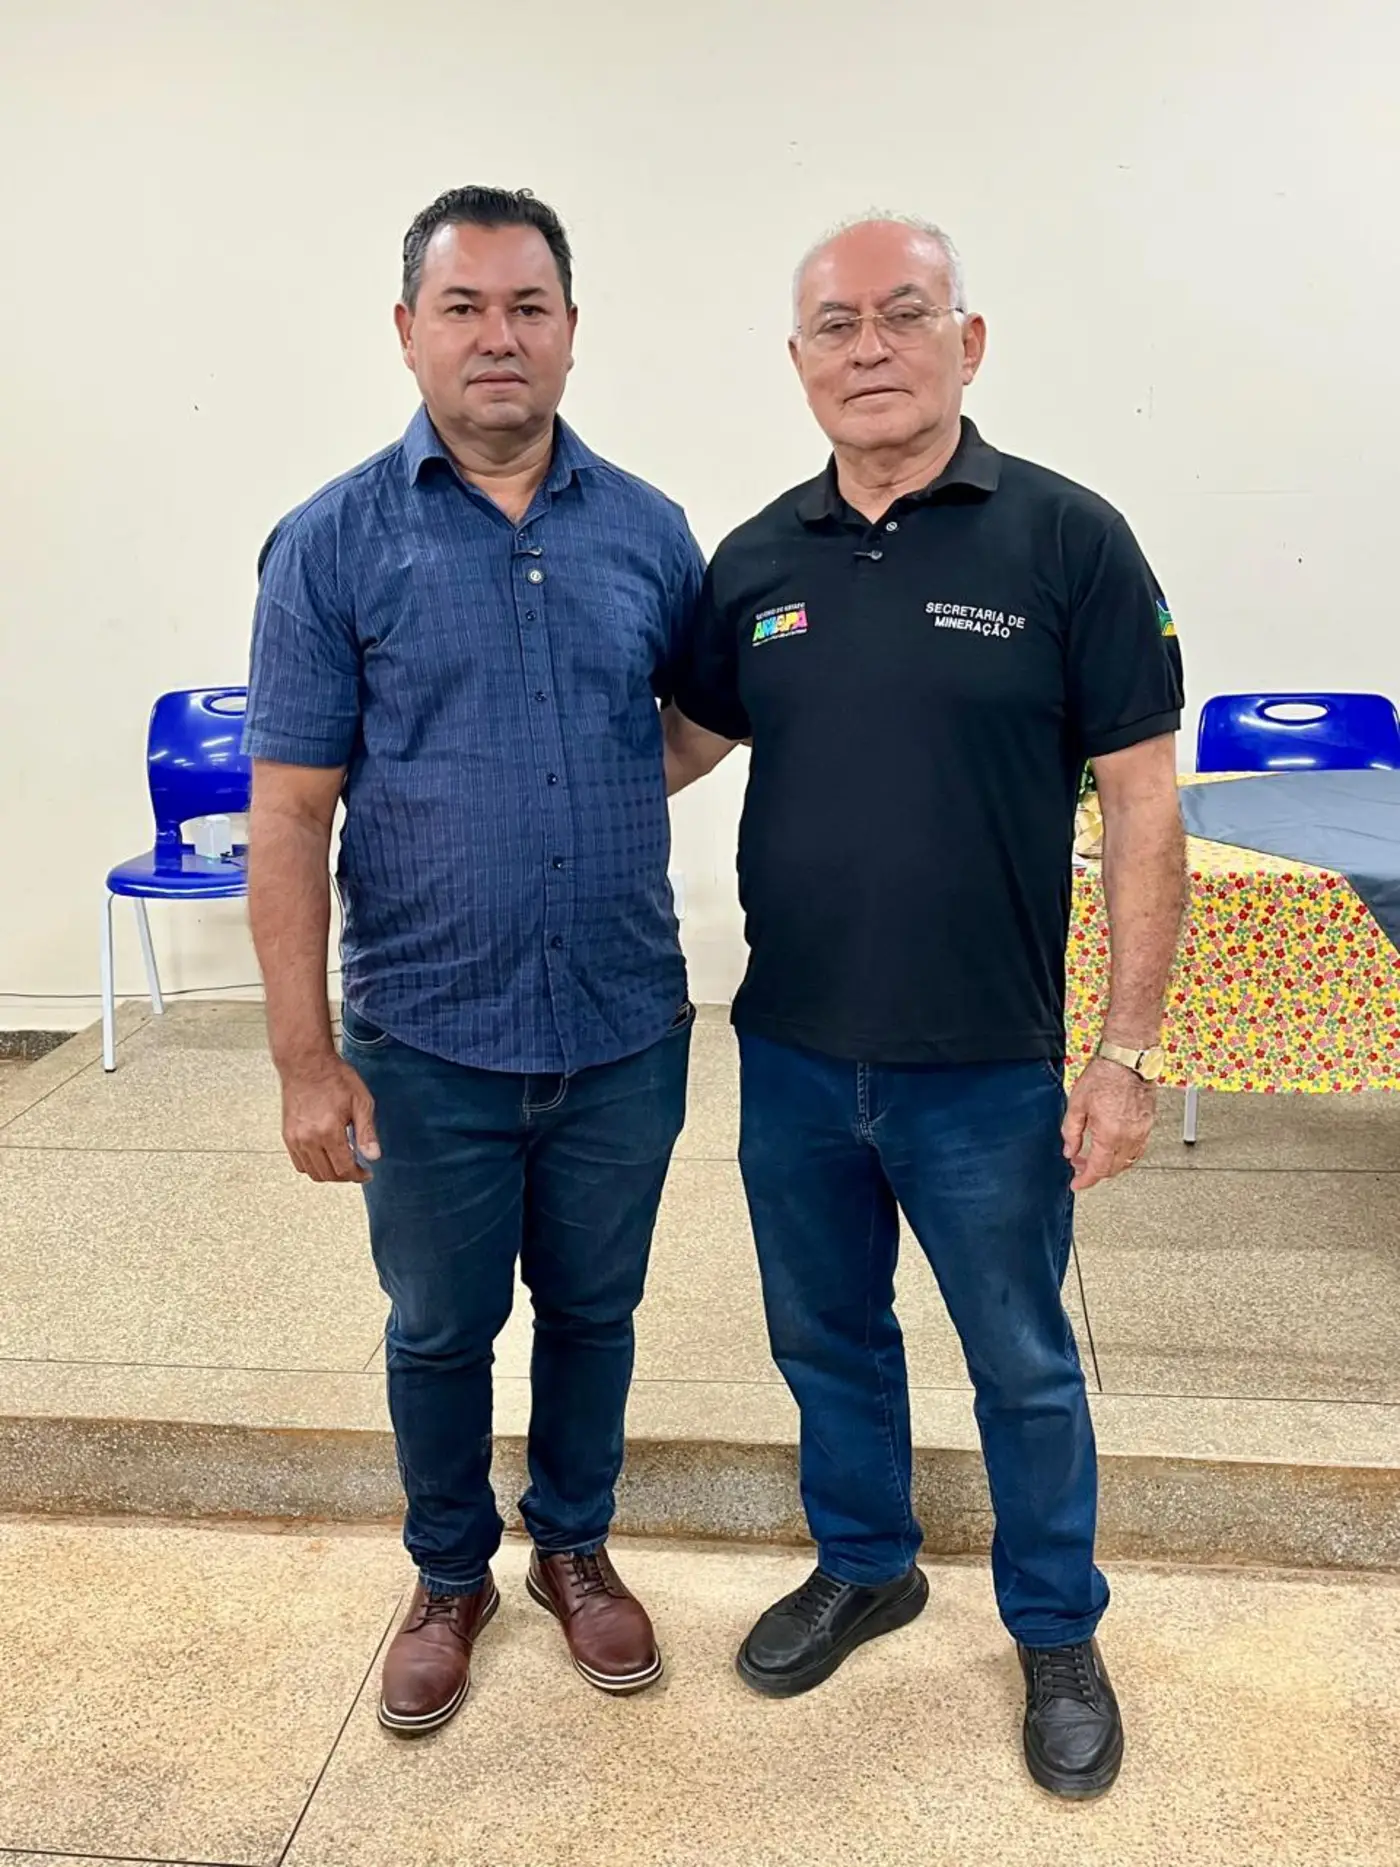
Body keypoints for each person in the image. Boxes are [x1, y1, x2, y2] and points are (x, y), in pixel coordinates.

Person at [664, 215, 1185, 1801]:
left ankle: (1056, 1628)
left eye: (905, 314)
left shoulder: (1070, 541)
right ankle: (867, 1561)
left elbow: (1143, 808)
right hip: (794, 1047)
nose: (870, 347)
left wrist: (1125, 1054)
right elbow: (674, 746)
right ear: (799, 361)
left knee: (1021, 1359)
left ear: (970, 342)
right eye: (836, 324)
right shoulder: (757, 560)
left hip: (989, 1064)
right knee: (825, 1332)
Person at [243, 186, 704, 1735]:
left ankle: (573, 1544)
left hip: (623, 1025)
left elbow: (695, 720)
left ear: (570, 330)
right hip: (425, 1040)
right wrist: (305, 1060)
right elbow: (292, 812)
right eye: (464, 307)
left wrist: (583, 786)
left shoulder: (649, 533)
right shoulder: (330, 544)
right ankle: (450, 1574)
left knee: (595, 1312)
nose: (497, 336)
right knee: (439, 1328)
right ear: (408, 331)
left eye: (527, 306)